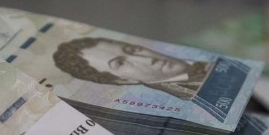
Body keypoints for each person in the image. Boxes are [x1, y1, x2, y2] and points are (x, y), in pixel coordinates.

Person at [53, 37, 211, 100]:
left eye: (132, 50)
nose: (146, 58)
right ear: (123, 80)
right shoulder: (187, 96)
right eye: (121, 63)